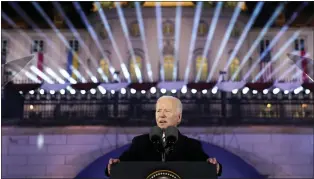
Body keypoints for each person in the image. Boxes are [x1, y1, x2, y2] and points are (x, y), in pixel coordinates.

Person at [106, 95, 222, 176]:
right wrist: (113, 166)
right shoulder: (140, 142)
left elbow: (207, 166)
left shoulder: (191, 145)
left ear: (179, 117)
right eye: (158, 111)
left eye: (167, 111)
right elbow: (121, 165)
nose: (162, 115)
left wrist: (215, 166)